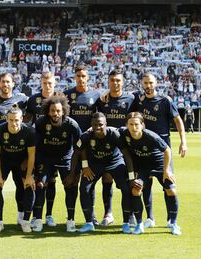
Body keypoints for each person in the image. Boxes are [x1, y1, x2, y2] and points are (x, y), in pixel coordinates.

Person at [130, 73, 187, 229]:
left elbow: (178, 121)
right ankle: (149, 218)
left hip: (163, 151)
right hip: (143, 150)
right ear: (141, 83)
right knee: (145, 186)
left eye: (151, 83)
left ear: (156, 83)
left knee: (168, 185)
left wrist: (183, 142)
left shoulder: (165, 101)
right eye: (145, 83)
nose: (148, 86)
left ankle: (171, 220)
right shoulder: (138, 101)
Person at [119, 112, 181, 235]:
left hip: (159, 165)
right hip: (142, 167)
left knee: (171, 190)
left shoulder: (151, 136)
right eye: (130, 124)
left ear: (142, 125)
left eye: (136, 124)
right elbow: (110, 129)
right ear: (126, 125)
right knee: (136, 190)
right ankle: (139, 224)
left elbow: (167, 150)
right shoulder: (124, 133)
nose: (133, 127)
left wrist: (166, 170)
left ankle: (173, 224)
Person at [73, 112, 131, 233]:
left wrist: (131, 175)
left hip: (114, 162)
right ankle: (89, 222)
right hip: (95, 164)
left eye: (100, 124)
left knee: (126, 188)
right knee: (84, 188)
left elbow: (126, 153)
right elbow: (77, 151)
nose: (98, 127)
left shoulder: (114, 134)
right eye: (95, 125)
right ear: (91, 125)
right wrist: (83, 167)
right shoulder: (86, 136)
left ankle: (126, 222)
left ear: (106, 124)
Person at [32, 95, 81, 232]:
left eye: (58, 111)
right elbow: (34, 146)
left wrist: (76, 171)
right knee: (40, 185)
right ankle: (38, 219)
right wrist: (34, 168)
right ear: (48, 111)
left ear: (64, 111)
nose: (55, 114)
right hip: (45, 158)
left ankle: (70, 220)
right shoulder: (41, 123)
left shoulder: (72, 125)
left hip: (65, 158)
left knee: (70, 186)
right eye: (53, 110)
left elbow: (80, 147)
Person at [0, 72, 28, 227]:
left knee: (21, 185)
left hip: (19, 152)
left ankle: (21, 216)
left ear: (13, 84)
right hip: (0, 153)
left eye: (8, 82)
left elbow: (35, 112)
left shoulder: (22, 100)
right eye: (3, 82)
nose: (5, 84)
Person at [64, 65, 104, 226]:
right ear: (75, 77)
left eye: (83, 76)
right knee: (73, 180)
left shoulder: (96, 95)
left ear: (88, 77)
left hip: (90, 146)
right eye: (78, 75)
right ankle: (71, 217)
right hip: (72, 147)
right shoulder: (67, 95)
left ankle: (91, 216)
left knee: (89, 181)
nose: (81, 78)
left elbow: (101, 116)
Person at [94, 69, 135, 226]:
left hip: (126, 145)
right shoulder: (102, 100)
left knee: (129, 179)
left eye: (118, 80)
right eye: (112, 80)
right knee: (106, 177)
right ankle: (108, 214)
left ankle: (130, 214)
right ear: (108, 82)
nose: (115, 83)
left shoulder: (131, 98)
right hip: (108, 146)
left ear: (123, 82)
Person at [25, 72, 63, 227]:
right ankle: (36, 215)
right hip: (39, 148)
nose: (47, 86)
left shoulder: (61, 98)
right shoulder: (33, 100)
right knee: (40, 182)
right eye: (45, 83)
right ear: (41, 83)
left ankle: (49, 215)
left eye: (50, 83)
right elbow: (27, 122)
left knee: (52, 182)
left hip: (56, 147)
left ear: (54, 84)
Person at [0, 106, 36, 233]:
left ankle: (25, 221)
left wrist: (28, 176)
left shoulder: (30, 131)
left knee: (28, 186)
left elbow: (32, 154)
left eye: (16, 120)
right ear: (7, 119)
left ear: (22, 119)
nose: (14, 123)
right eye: (11, 120)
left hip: (22, 161)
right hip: (3, 160)